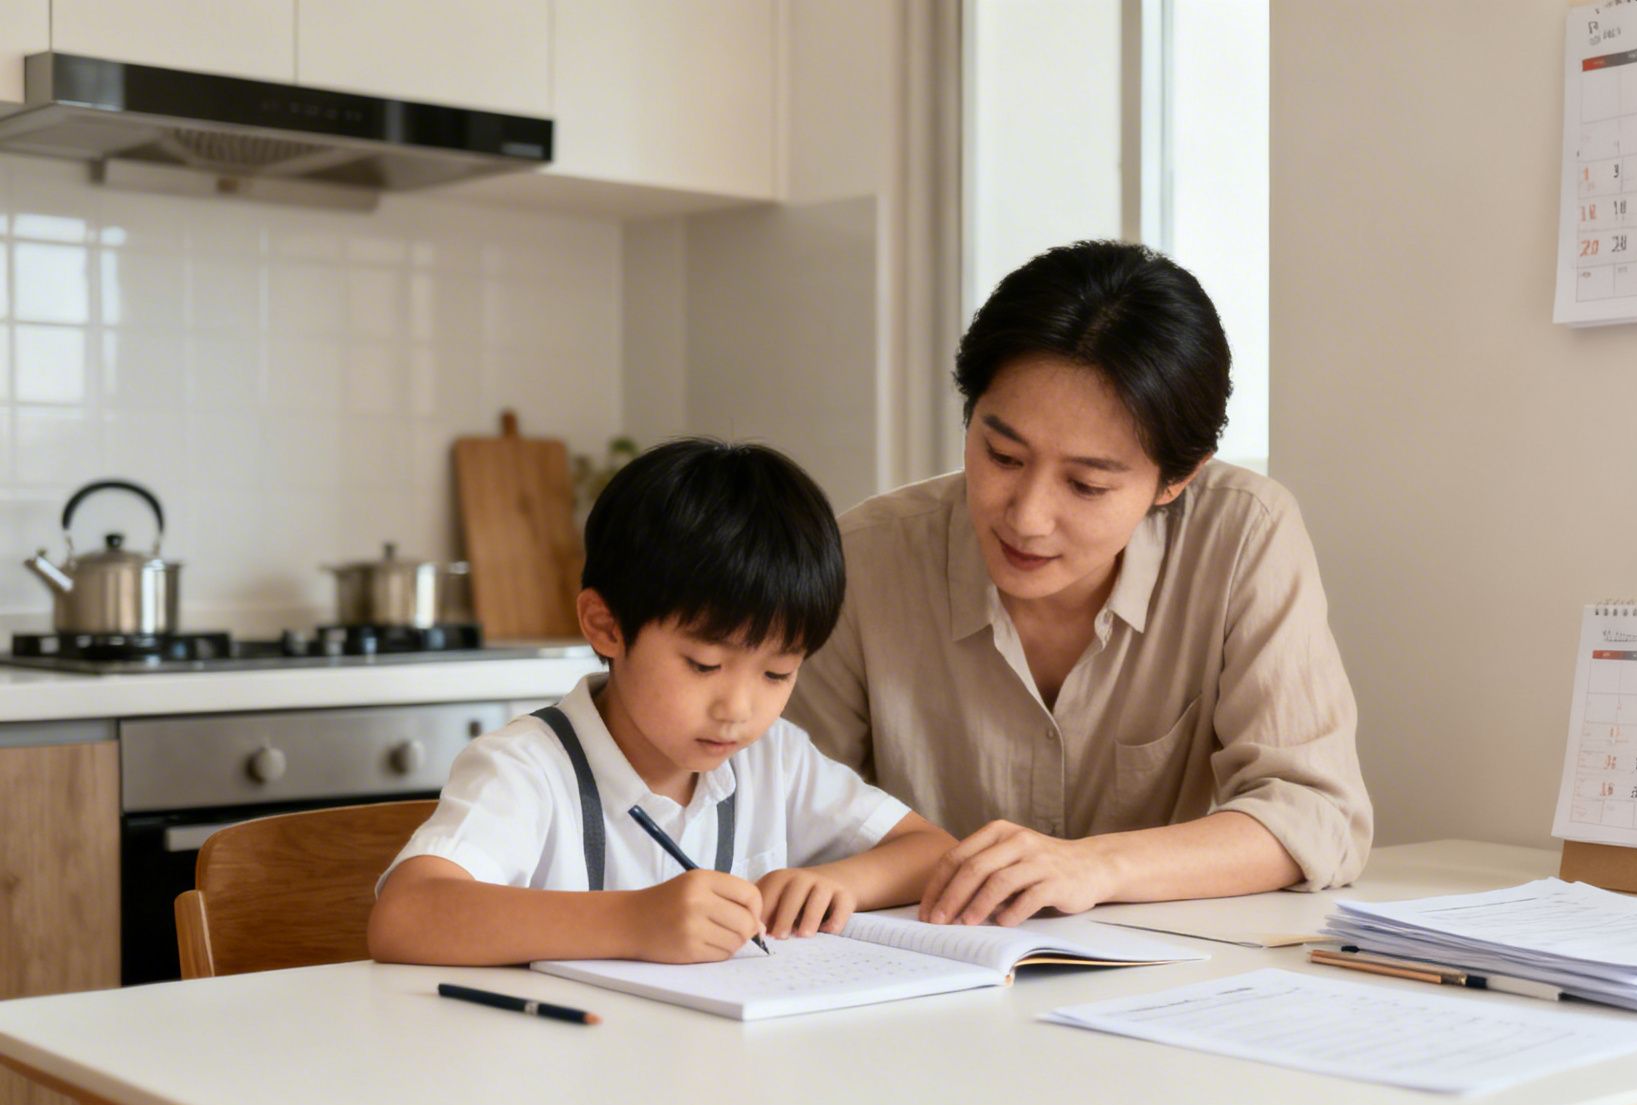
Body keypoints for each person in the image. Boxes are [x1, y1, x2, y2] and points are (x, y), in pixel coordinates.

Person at [785, 240, 1372, 930]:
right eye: (1001, 455)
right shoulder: (866, 557)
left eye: (1087, 484)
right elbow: (783, 806)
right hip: (915, 976)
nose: (1027, 518)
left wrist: (1095, 866)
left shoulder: (1243, 535)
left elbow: (1316, 813)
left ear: (1177, 479)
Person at [368, 438, 954, 966]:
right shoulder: (527, 768)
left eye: (778, 672)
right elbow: (406, 916)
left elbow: (932, 852)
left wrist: (840, 883)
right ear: (606, 626)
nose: (738, 709)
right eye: (704, 665)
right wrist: (634, 921)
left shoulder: (774, 760)